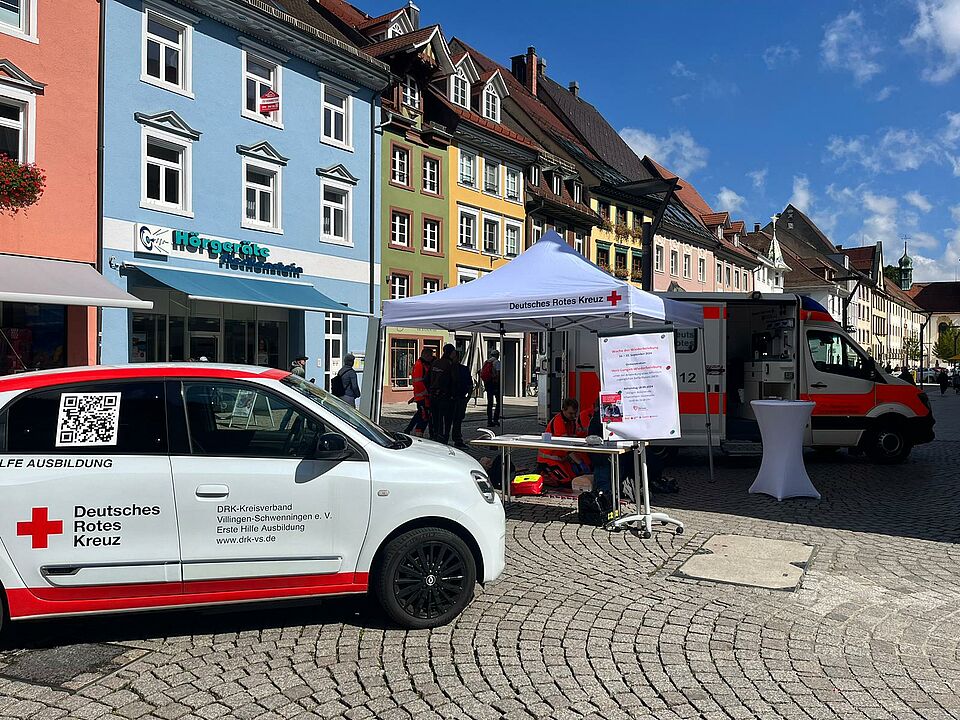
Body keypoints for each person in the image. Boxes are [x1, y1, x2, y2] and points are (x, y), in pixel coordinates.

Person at [537, 398, 590, 486]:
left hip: (560, 457)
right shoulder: (558, 421)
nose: (573, 416)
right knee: (565, 481)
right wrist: (579, 462)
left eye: (575, 413)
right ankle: (543, 473)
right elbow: (566, 445)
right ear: (563, 410)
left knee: (573, 478)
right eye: (570, 413)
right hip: (548, 458)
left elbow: (571, 440)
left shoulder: (571, 421)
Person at [428, 344, 459, 443]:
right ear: (452, 353)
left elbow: (426, 379)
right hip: (446, 396)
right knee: (447, 420)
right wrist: (454, 395)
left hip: (433, 395)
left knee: (436, 418)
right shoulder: (450, 364)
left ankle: (436, 436)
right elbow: (454, 381)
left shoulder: (435, 362)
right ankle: (444, 439)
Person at [404, 347, 434, 437]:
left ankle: (408, 430)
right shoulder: (419, 365)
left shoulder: (424, 364)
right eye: (430, 356)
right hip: (423, 397)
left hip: (423, 396)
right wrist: (426, 392)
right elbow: (418, 381)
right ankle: (418, 434)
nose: (431, 358)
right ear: (426, 355)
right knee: (424, 416)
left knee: (420, 414)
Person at [452, 350, 473, 448]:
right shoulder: (448, 368)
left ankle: (457, 439)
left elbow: (470, 384)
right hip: (449, 399)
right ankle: (448, 439)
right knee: (450, 421)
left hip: (460, 398)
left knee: (458, 420)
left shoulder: (464, 369)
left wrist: (468, 397)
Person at [480, 350, 501, 427]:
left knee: (490, 403)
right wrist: (498, 383)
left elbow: (482, 373)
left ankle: (489, 421)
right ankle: (495, 419)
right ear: (497, 355)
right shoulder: (497, 362)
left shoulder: (486, 362)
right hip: (495, 384)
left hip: (488, 384)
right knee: (499, 402)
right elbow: (498, 374)